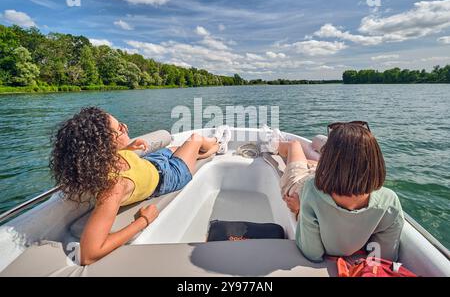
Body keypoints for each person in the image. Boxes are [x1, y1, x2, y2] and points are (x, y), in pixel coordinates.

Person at [50, 107, 231, 265]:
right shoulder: (114, 186)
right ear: (105, 144)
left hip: (153, 163)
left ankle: (204, 151)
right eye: (120, 128)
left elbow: (119, 157)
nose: (125, 127)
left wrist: (127, 146)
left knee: (180, 148)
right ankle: (217, 144)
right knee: (195, 139)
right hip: (170, 176)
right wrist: (143, 221)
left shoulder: (101, 161)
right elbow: (90, 253)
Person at [260, 122, 404, 262]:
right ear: (375, 161)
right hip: (322, 181)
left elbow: (311, 253)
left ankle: (274, 142)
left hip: (301, 185)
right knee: (311, 161)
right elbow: (385, 257)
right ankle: (313, 164)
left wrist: (300, 208)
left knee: (294, 146)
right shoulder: (389, 201)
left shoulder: (311, 192)